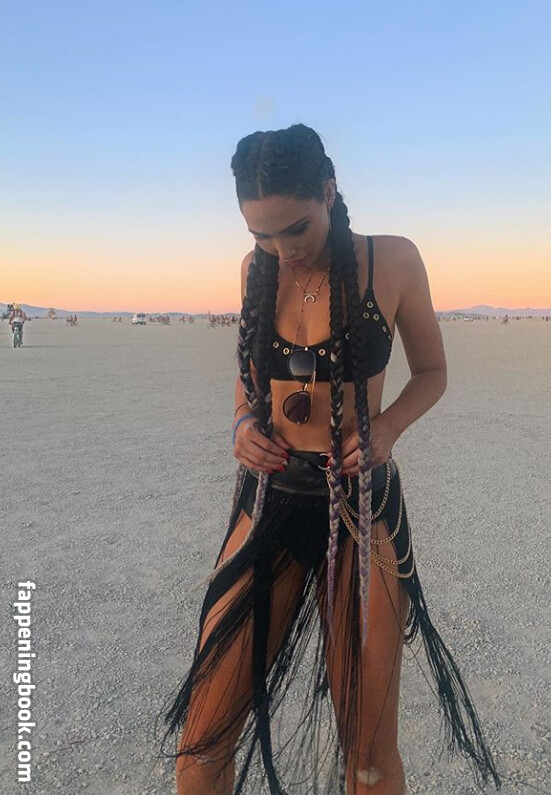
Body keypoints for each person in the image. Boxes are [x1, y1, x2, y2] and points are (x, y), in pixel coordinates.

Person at [156, 124, 502, 794]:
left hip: (360, 509)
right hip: (268, 500)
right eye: (261, 234)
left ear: (329, 191)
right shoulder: (254, 268)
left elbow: (431, 372)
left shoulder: (392, 260)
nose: (281, 250)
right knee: (201, 742)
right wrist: (240, 422)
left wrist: (387, 428)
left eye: (296, 228)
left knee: (367, 755)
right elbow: (246, 373)